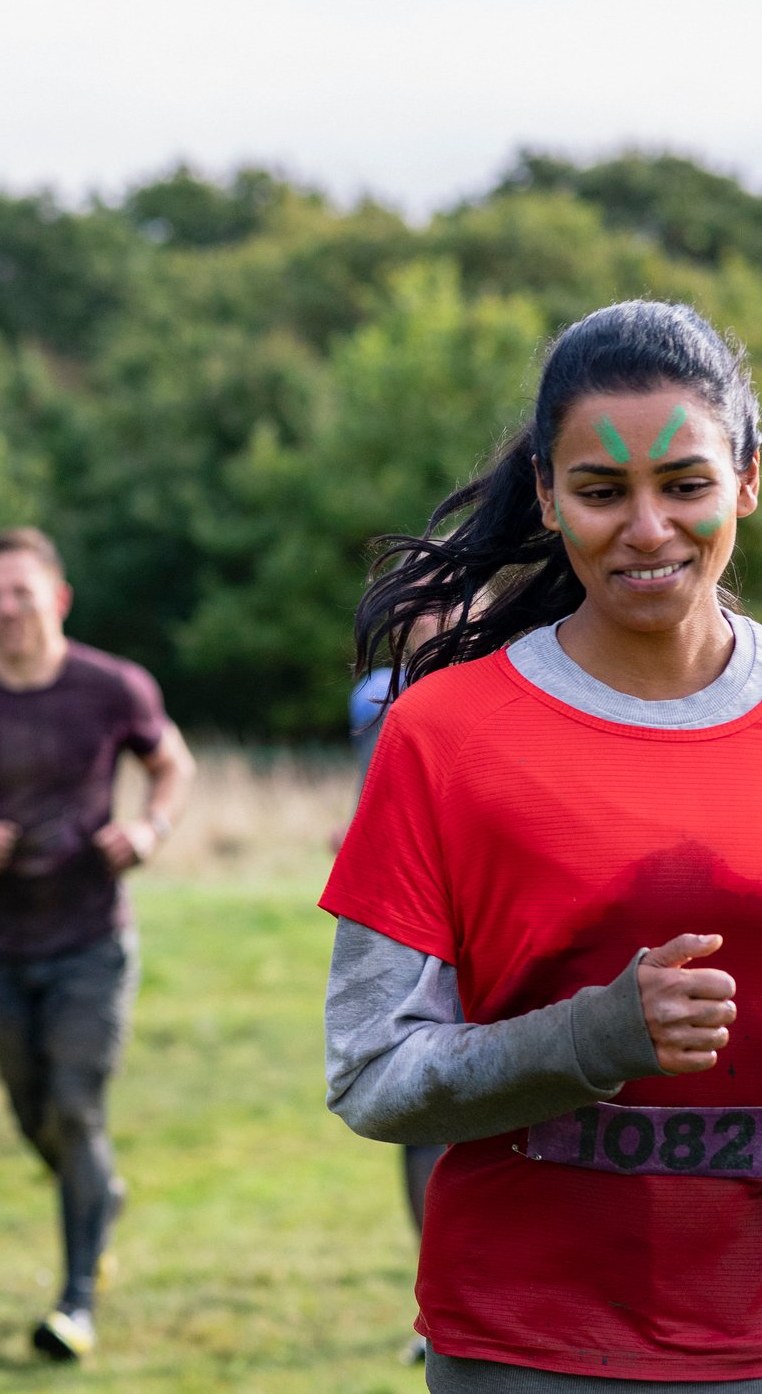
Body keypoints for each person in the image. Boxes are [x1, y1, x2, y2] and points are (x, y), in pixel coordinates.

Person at [323, 300, 762, 1390]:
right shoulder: (446, 735)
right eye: (604, 491)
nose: (649, 527)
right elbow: (371, 1071)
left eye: (688, 485)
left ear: (748, 481)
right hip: (532, 1349)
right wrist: (593, 1035)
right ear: (548, 498)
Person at [0, 527, 195, 1361]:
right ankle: (98, 1192)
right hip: (0, 943)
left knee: (74, 1108)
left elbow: (172, 764)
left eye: (19, 593)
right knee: (36, 1116)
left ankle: (74, 1302)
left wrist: (147, 827)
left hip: (91, 939)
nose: (3, 609)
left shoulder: (112, 686)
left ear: (56, 598)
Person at [343, 655, 444, 1366]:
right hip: (409, 918)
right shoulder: (375, 694)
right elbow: (373, 788)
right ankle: (433, 1303)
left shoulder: (527, 668)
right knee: (415, 1103)